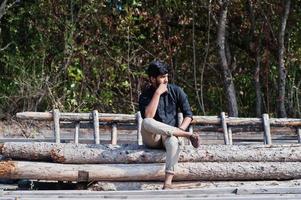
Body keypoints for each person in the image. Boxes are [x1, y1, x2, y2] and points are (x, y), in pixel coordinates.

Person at [139, 60, 200, 189]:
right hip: (153, 138)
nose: (166, 80)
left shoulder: (176, 91)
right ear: (152, 79)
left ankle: (167, 183)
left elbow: (188, 115)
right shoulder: (145, 95)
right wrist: (157, 93)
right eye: (162, 77)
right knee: (146, 122)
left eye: (167, 76)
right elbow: (148, 117)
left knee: (173, 142)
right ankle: (187, 135)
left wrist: (180, 129)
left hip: (171, 135)